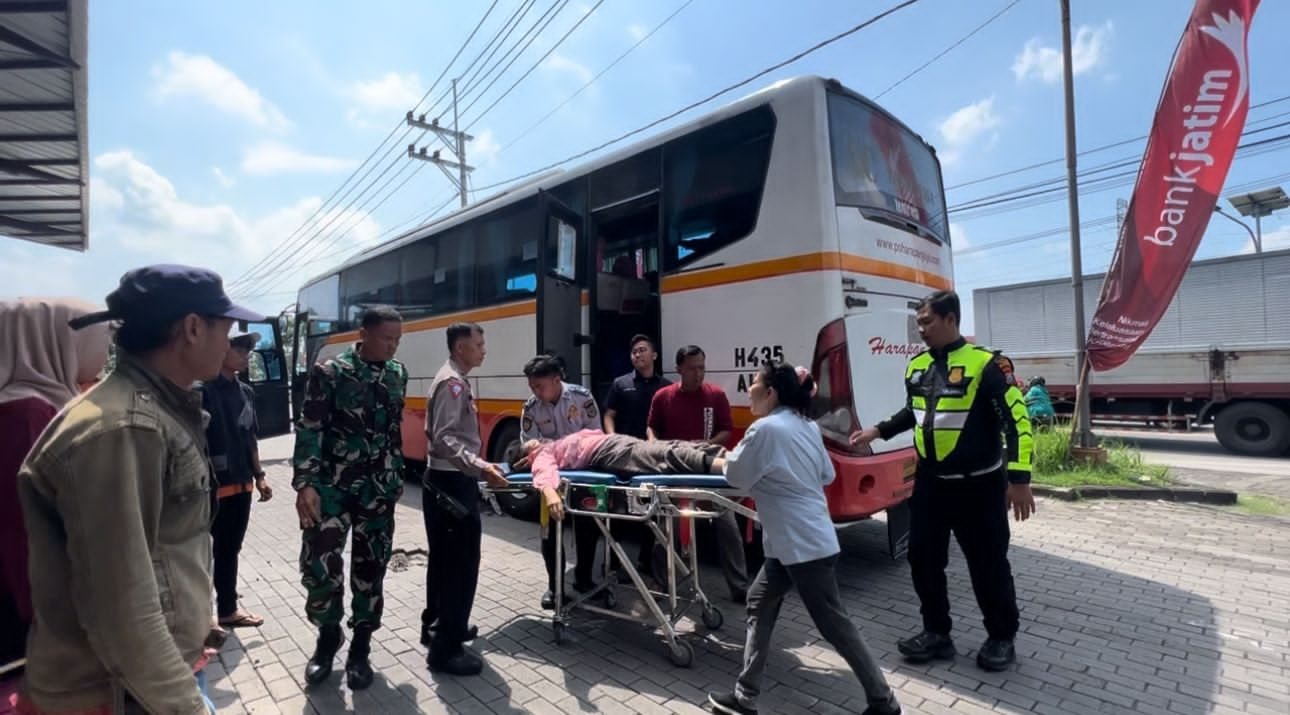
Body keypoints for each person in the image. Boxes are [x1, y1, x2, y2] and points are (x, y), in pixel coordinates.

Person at [17, 265, 260, 714]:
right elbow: (122, 608)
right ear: (191, 328)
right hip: (120, 691)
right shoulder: (124, 428)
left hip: (146, 679)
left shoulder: (148, 411)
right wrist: (187, 706)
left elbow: (160, 553)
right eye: (225, 329)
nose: (230, 343)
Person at [851, 290, 1035, 672]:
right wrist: (878, 431)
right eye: (918, 323)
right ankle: (937, 632)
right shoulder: (917, 366)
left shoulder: (988, 364)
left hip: (980, 488)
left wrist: (1019, 479)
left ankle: (1001, 637)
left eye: (927, 322)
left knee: (988, 565)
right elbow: (915, 412)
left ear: (951, 319)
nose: (921, 330)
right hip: (932, 486)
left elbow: (1018, 423)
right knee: (923, 560)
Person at [707, 361, 900, 715]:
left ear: (771, 392)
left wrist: (714, 460)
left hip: (804, 547)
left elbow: (735, 476)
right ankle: (745, 695)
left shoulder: (766, 429)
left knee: (834, 624)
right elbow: (826, 474)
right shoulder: (807, 427)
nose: (748, 390)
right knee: (759, 602)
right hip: (793, 544)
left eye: (753, 383)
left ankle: (883, 701)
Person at [294, 306, 408, 690]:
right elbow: (311, 427)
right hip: (332, 488)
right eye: (386, 338)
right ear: (364, 333)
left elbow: (393, 431)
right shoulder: (331, 372)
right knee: (320, 565)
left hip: (378, 490)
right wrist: (305, 484)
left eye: (397, 339)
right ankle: (328, 638)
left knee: (371, 567)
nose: (393, 346)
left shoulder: (397, 374)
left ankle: (361, 644)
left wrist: (397, 478)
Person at [0, 299, 110, 671]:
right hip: (36, 623)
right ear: (53, 341)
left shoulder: (38, 402)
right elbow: (26, 536)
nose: (105, 348)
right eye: (97, 337)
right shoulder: (27, 415)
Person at [423, 323, 510, 676]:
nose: (483, 350)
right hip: (452, 481)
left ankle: (440, 626)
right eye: (478, 344)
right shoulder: (453, 383)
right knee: (460, 564)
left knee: (444, 562)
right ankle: (447, 649)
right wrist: (480, 466)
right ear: (461, 348)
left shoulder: (453, 377)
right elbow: (444, 438)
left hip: (445, 480)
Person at [647, 345, 750, 602]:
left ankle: (739, 587)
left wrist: (707, 444)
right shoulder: (663, 396)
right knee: (665, 526)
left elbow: (726, 431)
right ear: (679, 369)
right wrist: (655, 447)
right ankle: (661, 582)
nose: (698, 373)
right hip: (674, 472)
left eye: (702, 367)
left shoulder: (715, 395)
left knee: (728, 526)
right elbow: (651, 428)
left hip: (707, 473)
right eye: (692, 368)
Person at [519, 354, 606, 610]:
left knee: (588, 526)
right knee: (550, 531)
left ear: (557, 379)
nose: (536, 392)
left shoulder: (581, 397)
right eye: (532, 386)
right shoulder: (532, 407)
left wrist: (556, 446)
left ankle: (584, 579)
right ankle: (555, 587)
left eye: (540, 386)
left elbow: (596, 434)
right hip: (550, 475)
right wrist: (534, 447)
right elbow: (527, 441)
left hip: (582, 471)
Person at [200, 329, 272, 631]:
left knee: (228, 549)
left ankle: (227, 610)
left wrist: (260, 477)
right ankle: (200, 617)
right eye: (239, 349)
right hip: (207, 489)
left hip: (241, 484)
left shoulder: (246, 392)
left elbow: (249, 437)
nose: (245, 355)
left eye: (247, 350)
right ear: (221, 349)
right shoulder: (200, 390)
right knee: (199, 553)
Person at [602, 334, 672, 581]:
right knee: (618, 509)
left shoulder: (665, 386)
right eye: (634, 352)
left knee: (651, 509)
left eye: (642, 350)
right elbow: (609, 414)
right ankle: (613, 561)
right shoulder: (621, 384)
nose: (637, 355)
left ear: (654, 355)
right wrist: (612, 438)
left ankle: (645, 560)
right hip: (623, 456)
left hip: (651, 458)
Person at [517, 428, 727, 493]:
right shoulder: (541, 454)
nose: (535, 439)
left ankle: (726, 457)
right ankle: (727, 466)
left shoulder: (552, 444)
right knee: (667, 456)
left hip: (613, 443)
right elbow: (544, 473)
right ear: (526, 457)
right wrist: (550, 494)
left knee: (672, 447)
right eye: (530, 443)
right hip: (609, 453)